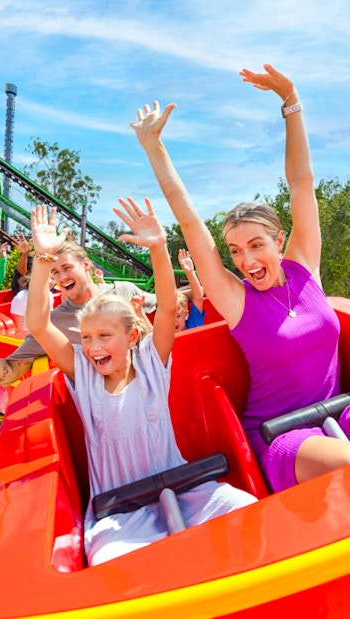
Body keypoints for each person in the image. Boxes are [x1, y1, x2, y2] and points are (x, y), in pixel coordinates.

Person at [130, 63, 350, 493]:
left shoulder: (304, 268)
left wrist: (291, 101)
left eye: (255, 245)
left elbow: (301, 183)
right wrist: (153, 146)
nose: (246, 260)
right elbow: (189, 220)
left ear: (279, 239)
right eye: (234, 251)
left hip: (337, 412)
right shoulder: (238, 299)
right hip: (282, 436)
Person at [26, 200, 256, 566]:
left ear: (132, 337)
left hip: (184, 491)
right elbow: (38, 323)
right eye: (85, 338)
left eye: (104, 336)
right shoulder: (83, 374)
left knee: (247, 510)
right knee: (112, 564)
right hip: (118, 510)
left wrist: (159, 248)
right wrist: (42, 256)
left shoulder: (152, 361)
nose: (93, 347)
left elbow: (166, 307)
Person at [0, 240, 157, 386]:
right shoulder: (53, 323)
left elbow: (175, 305)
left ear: (86, 265)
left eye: (67, 268)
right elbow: (9, 370)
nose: (61, 277)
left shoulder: (123, 291)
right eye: (55, 272)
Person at [177, 249, 205, 329]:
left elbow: (198, 298)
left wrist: (190, 272)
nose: (174, 321)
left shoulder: (193, 325)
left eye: (178, 316)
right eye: (170, 318)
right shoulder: (162, 335)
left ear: (186, 315)